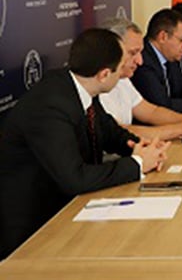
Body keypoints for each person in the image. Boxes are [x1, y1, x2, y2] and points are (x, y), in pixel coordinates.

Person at [0, 28, 169, 259]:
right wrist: (138, 163)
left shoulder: (81, 86)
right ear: (103, 74)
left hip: (66, 209)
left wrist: (143, 146)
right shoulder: (50, 106)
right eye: (120, 69)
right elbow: (74, 179)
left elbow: (109, 131)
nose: (123, 75)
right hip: (32, 228)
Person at [99, 18, 182, 140]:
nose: (140, 61)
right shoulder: (98, 84)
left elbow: (151, 112)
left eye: (140, 52)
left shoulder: (122, 79)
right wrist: (180, 128)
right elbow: (118, 132)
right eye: (132, 53)